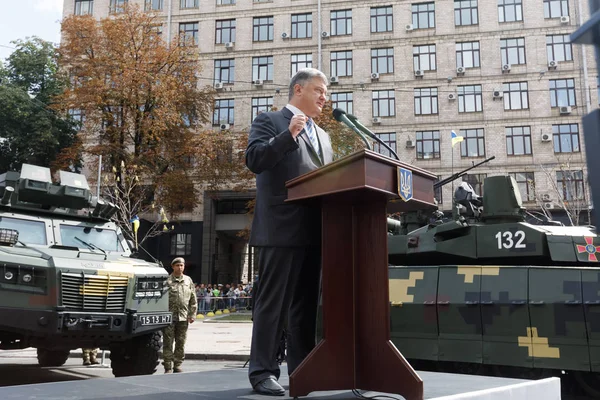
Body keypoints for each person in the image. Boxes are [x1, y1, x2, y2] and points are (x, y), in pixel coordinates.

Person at [245, 68, 333, 396]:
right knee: (272, 305)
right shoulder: (270, 121)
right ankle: (263, 372)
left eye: (326, 92)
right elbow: (254, 159)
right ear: (298, 90)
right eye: (319, 90)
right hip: (280, 231)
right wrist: (288, 136)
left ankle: (302, 370)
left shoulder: (323, 136)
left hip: (314, 231)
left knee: (305, 307)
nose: (325, 97)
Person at [162, 257, 197, 373]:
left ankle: (177, 364)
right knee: (168, 342)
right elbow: (161, 298)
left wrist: (192, 314)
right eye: (177, 265)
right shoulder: (167, 281)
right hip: (169, 317)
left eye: (181, 265)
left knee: (181, 342)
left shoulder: (188, 280)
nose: (180, 267)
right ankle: (167, 366)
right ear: (173, 267)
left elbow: (193, 298)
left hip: (183, 316)